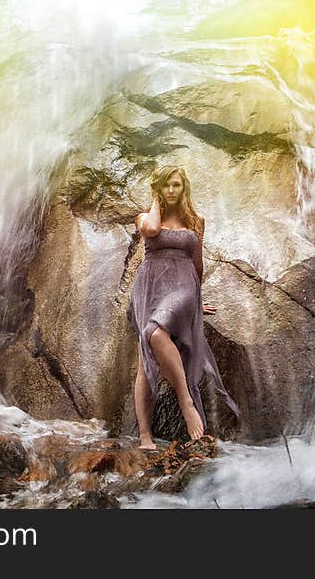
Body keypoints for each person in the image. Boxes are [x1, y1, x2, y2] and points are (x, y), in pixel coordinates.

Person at [126, 165, 241, 450]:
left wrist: (195, 303)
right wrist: (155, 200)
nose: (171, 191)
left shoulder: (196, 221)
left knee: (154, 333)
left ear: (184, 188)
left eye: (176, 185)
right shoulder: (146, 218)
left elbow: (198, 264)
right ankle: (145, 437)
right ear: (158, 189)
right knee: (145, 361)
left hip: (184, 287)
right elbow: (152, 230)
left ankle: (186, 402)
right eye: (165, 186)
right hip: (150, 289)